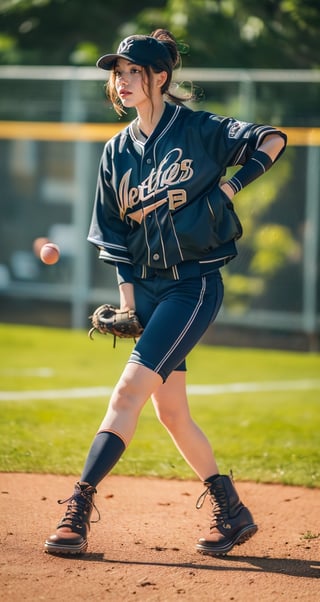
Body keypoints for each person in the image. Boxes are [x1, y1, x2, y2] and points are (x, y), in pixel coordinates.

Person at [44, 29, 287, 557]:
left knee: (127, 393)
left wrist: (229, 186)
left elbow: (272, 138)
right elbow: (114, 236)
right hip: (149, 290)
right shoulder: (116, 151)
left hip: (193, 285)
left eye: (134, 72)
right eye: (119, 73)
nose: (123, 81)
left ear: (160, 77)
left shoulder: (200, 129)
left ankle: (76, 512)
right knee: (171, 413)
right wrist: (129, 303)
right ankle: (234, 513)